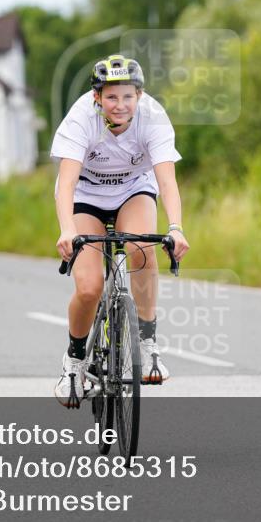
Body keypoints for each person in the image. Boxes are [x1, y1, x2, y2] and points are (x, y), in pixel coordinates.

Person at [50, 54, 190, 408]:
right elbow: (66, 184)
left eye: (128, 96)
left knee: (142, 249)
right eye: (111, 97)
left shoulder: (153, 117)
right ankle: (74, 362)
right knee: (89, 287)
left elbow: (166, 181)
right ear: (97, 96)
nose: (120, 104)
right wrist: (67, 230)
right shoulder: (81, 118)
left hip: (133, 190)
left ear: (139, 95)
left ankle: (147, 342)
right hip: (86, 196)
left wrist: (175, 228)